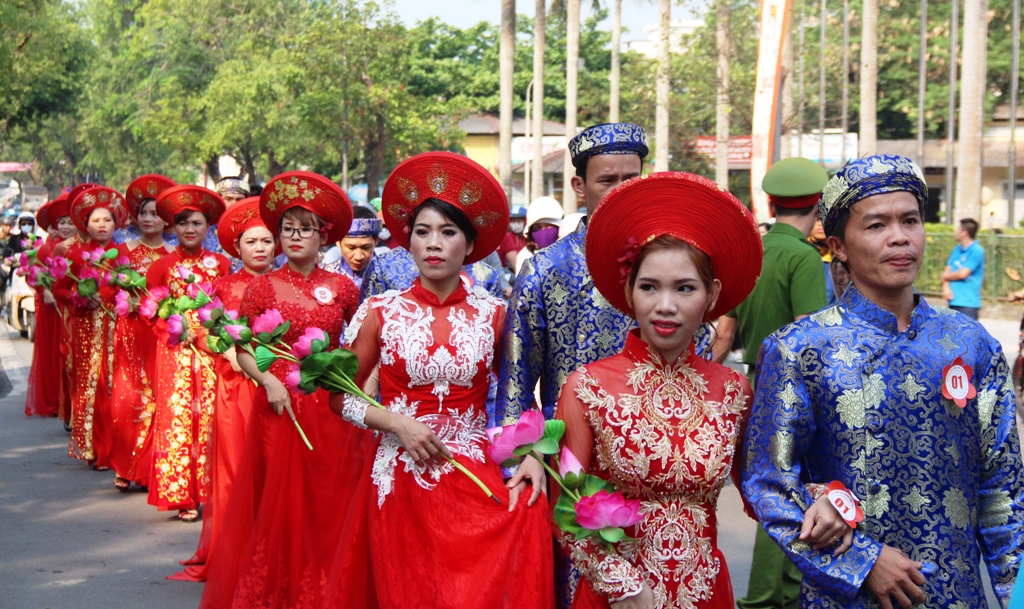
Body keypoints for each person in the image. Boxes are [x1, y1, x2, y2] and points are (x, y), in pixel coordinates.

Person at [740, 154, 1024, 608]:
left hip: (955, 595)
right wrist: (861, 561)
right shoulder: (799, 348)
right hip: (846, 597)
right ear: (840, 246)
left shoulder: (972, 344)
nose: (899, 237)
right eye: (876, 225)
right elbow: (769, 483)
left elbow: (1003, 491)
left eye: (910, 220)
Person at [326, 151, 553, 609]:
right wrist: (394, 422)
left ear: (469, 245)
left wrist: (531, 455)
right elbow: (338, 395)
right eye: (422, 232)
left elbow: (520, 395)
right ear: (407, 242)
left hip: (471, 467)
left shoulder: (495, 314)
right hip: (398, 472)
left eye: (448, 233)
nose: (433, 243)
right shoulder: (380, 312)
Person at [497, 122, 711, 608]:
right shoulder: (546, 270)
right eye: (606, 180)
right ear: (578, 185)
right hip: (574, 465)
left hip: (660, 458)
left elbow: (698, 365)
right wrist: (525, 455)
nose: (619, 192)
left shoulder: (670, 266)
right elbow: (515, 381)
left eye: (630, 179)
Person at [556, 171, 763, 609]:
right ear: (628, 291)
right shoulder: (586, 387)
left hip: (704, 592)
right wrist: (621, 585)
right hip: (616, 597)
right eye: (649, 286)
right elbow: (568, 504)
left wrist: (819, 499)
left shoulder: (734, 391)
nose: (665, 305)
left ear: (712, 294)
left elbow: (763, 487)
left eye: (684, 288)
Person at [200, 171, 363, 608]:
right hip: (278, 406)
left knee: (326, 499)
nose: (294, 237)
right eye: (287, 229)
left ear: (324, 236)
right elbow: (245, 347)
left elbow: (358, 348)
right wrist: (267, 379)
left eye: (305, 230)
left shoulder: (344, 288)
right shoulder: (261, 286)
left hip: (330, 409)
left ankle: (325, 583)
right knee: (276, 500)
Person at [710, 156, 828, 609]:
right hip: (797, 388)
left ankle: (782, 592)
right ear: (817, 205)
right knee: (793, 491)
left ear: (773, 203)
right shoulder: (802, 256)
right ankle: (765, 596)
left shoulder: (755, 251)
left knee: (772, 487)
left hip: (756, 380)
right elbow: (808, 334)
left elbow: (725, 329)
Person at [170, 196, 275, 582]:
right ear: (237, 247)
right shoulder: (224, 286)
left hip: (278, 389)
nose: (260, 249)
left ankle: (269, 551)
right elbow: (198, 332)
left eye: (266, 241)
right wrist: (225, 349)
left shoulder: (282, 284)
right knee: (234, 471)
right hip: (234, 391)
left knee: (272, 470)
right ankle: (235, 552)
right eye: (252, 242)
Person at [146, 185, 230, 522]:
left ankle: (212, 492)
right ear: (173, 228)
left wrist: (210, 336)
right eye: (182, 224)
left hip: (211, 350)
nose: (189, 229)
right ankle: (181, 494)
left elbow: (227, 308)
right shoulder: (161, 266)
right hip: (176, 351)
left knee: (211, 416)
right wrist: (177, 332)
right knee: (179, 417)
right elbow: (151, 311)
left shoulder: (221, 264)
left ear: (207, 226)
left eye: (196, 223)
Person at [51, 186, 130, 469]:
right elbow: (58, 289)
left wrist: (124, 299)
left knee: (116, 386)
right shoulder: (76, 254)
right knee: (90, 387)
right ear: (86, 225)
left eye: (107, 220)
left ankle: (116, 448)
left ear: (115, 224)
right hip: (86, 329)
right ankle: (94, 448)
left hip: (117, 329)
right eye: (95, 220)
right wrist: (78, 297)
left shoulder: (122, 255)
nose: (101, 225)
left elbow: (134, 292)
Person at [108, 174, 177, 492]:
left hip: (159, 333)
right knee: (127, 396)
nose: (149, 219)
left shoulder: (172, 256)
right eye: (144, 213)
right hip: (130, 331)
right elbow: (107, 294)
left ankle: (150, 469)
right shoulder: (122, 252)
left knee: (159, 397)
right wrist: (124, 293)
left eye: (155, 214)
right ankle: (125, 464)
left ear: (166, 220)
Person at [24, 194, 72, 418]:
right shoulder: (46, 250)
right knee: (52, 354)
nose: (64, 226)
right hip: (52, 309)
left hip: (70, 307)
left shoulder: (75, 248)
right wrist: (45, 292)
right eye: (61, 223)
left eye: (70, 222)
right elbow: (32, 277)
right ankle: (53, 400)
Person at [322, 204, 382, 290]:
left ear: (376, 241)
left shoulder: (390, 277)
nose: (358, 256)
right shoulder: (326, 276)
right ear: (338, 242)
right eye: (351, 248)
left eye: (365, 247)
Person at [941, 218, 985, 320]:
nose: (955, 232)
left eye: (958, 229)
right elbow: (948, 270)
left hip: (968, 304)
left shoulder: (977, 250)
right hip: (953, 301)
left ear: (964, 233)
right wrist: (945, 287)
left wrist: (944, 277)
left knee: (967, 335)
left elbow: (963, 273)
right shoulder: (956, 250)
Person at [514, 196, 563, 276]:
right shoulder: (525, 256)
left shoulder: (570, 251)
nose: (544, 231)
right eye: (538, 227)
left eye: (548, 225)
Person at [498, 204, 528, 271]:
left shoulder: (529, 238)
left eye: (519, 221)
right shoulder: (506, 237)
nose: (516, 224)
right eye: (514, 221)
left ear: (525, 221)